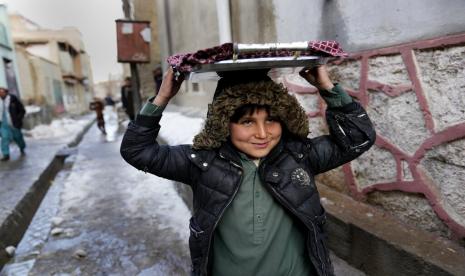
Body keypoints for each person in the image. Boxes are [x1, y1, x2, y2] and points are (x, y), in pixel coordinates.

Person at [120, 66, 376, 276]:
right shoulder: (202, 162)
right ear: (224, 123)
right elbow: (137, 151)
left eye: (271, 120)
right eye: (247, 122)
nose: (262, 134)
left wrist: (327, 88)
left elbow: (357, 139)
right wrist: (162, 97)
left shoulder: (298, 156)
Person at [0, 87, 26, 161]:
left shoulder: (13, 99)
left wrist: (18, 118)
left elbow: (22, 110)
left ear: (6, 92)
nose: (1, 94)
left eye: (2, 92)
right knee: (5, 137)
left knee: (18, 137)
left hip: (13, 122)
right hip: (3, 123)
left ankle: (22, 147)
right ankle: (6, 154)